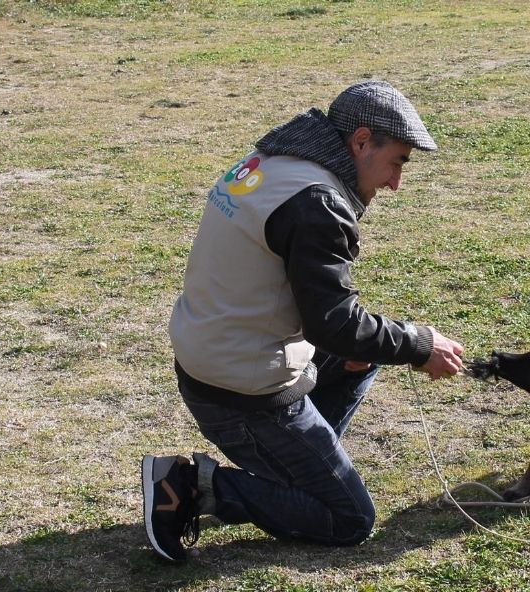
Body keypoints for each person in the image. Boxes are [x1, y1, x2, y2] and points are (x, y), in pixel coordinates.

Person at [141, 81, 466, 563]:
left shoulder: (273, 163)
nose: (396, 182)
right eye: (397, 161)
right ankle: (194, 486)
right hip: (242, 392)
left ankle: (295, 472)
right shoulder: (316, 203)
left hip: (209, 353)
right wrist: (419, 344)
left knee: (362, 357)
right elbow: (334, 325)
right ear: (360, 142)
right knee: (349, 519)